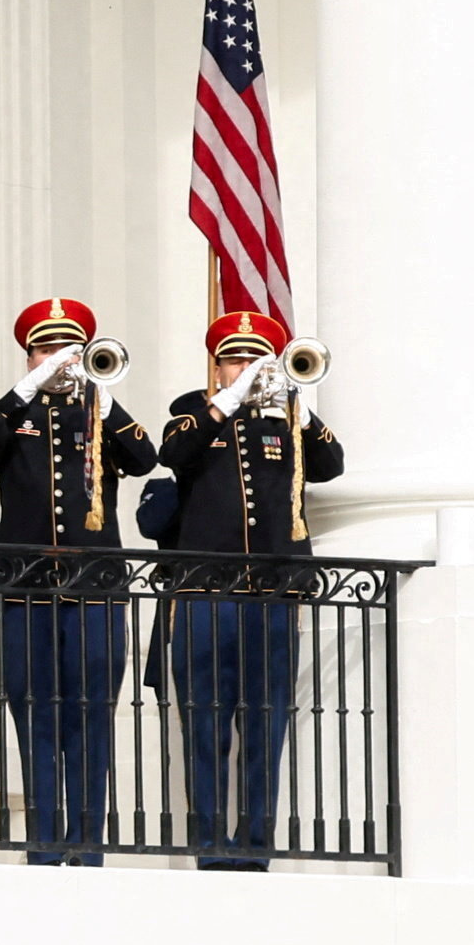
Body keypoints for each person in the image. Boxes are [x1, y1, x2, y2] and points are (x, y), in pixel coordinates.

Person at [146, 311, 341, 872]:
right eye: (236, 358)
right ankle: (210, 844)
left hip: (273, 600)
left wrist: (296, 405)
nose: (247, 368)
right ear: (218, 366)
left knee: (265, 725)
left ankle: (254, 846)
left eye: (257, 359)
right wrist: (228, 398)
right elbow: (171, 457)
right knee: (205, 727)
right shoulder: (192, 417)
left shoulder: (286, 425)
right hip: (206, 599)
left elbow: (331, 464)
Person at [0, 299, 151, 867]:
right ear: (28, 356)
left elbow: (143, 455)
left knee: (92, 712)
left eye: (65, 351)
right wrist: (31, 383)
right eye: (46, 350)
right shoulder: (16, 414)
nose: (58, 360)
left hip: (95, 588)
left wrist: (99, 391)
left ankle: (87, 847)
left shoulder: (96, 411)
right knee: (34, 712)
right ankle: (45, 845)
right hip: (27, 588)